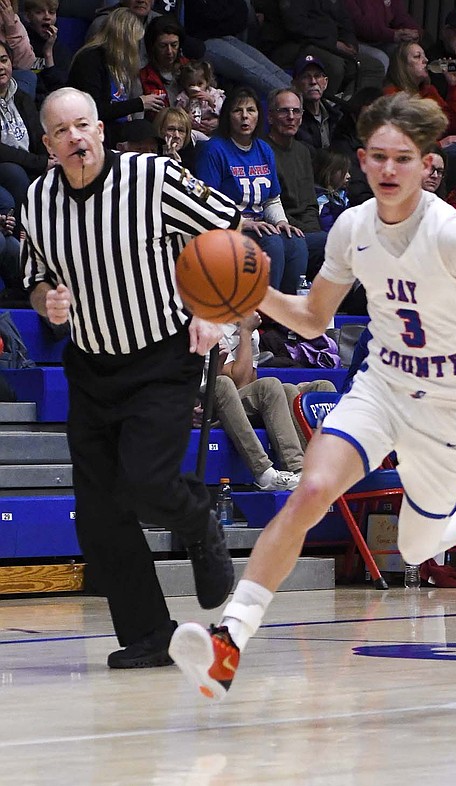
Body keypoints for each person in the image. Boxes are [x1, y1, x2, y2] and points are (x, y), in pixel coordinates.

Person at [168, 92, 456, 700]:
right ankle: (229, 641)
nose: (388, 169)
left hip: (448, 406)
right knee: (310, 490)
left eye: (402, 158)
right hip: (381, 387)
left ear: (426, 165)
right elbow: (312, 318)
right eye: (378, 157)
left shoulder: (453, 232)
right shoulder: (352, 227)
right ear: (361, 160)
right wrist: (249, 292)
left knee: (416, 545)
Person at [22, 87, 239, 669]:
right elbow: (36, 276)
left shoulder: (152, 178)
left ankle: (199, 521)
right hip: (91, 366)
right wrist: (47, 301)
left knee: (145, 482)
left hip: (161, 357)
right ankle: (149, 634)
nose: (75, 137)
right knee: (97, 518)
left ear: (100, 129)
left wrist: (211, 307)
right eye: (61, 131)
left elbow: (226, 224)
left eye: (83, 125)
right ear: (48, 145)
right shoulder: (37, 201)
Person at [194, 85, 308, 294]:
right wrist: (242, 222)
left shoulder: (264, 149)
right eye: (238, 110)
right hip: (229, 228)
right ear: (228, 116)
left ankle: (290, 308)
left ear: (259, 116)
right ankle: (262, 309)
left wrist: (281, 222)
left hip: (260, 226)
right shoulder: (213, 149)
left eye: (251, 110)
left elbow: (272, 199)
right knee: (273, 243)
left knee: (297, 242)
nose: (245, 116)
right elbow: (206, 202)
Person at [210, 315, 303, 491]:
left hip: (234, 399)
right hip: (209, 401)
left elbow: (250, 383)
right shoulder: (212, 326)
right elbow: (239, 383)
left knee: (290, 390)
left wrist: (247, 332)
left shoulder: (251, 330)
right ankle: (267, 472)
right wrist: (245, 332)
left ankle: (302, 469)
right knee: (268, 385)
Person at [68, 8, 167, 147]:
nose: (137, 47)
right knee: (142, 131)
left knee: (148, 131)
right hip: (92, 132)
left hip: (113, 129)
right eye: (135, 41)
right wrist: (139, 103)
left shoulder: (117, 63)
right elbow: (94, 111)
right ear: (123, 39)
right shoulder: (90, 59)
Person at [255, 0, 384, 102]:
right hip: (293, 44)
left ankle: (348, 111)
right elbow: (296, 26)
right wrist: (333, 43)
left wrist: (349, 42)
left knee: (373, 67)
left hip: (328, 45)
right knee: (334, 66)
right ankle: (319, 114)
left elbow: (344, 20)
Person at [266, 87, 328, 276]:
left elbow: (310, 204)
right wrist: (310, 233)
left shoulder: (303, 151)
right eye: (284, 111)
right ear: (270, 117)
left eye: (296, 111)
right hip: (281, 228)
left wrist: (314, 232)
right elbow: (271, 204)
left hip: (308, 231)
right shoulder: (262, 150)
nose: (291, 117)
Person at [0, 41, 49, 216]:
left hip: (28, 161)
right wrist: (40, 163)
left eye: (4, 60)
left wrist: (49, 160)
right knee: (14, 173)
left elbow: (38, 134)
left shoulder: (22, 97)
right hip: (7, 165)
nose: (1, 67)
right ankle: (25, 228)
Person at [383, 41, 456, 145]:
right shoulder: (392, 94)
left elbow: (452, 126)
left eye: (424, 56)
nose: (426, 60)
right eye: (417, 57)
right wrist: (439, 145)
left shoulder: (429, 91)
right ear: (403, 65)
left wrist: (454, 85)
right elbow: (403, 141)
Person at [343, 0, 420, 71]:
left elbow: (401, 17)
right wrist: (393, 35)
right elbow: (359, 25)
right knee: (381, 58)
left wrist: (415, 32)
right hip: (356, 42)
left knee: (408, 52)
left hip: (382, 39)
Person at [138, 14, 188, 118]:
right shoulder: (143, 77)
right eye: (163, 46)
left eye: (174, 45)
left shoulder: (191, 68)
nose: (169, 51)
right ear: (153, 47)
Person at [291, 54, 343, 154]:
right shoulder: (293, 119)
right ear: (295, 84)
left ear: (325, 82)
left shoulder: (336, 115)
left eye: (317, 76)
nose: (313, 81)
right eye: (306, 77)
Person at [24, 0, 73, 105]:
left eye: (51, 12)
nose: (47, 17)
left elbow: (60, 90)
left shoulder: (60, 49)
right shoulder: (20, 45)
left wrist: (48, 54)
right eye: (39, 12)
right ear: (28, 16)